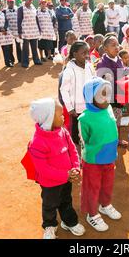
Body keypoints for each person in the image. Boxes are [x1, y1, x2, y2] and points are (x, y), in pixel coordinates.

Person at [24, 98, 85, 239]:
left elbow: (72, 149)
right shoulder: (37, 143)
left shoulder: (62, 131)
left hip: (66, 178)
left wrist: (76, 167)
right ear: (49, 118)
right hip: (50, 183)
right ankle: (50, 225)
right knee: (49, 205)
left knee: (66, 201)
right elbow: (43, 169)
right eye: (60, 114)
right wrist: (67, 175)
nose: (64, 116)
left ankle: (69, 221)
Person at [79, 77, 122, 232]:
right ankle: (92, 213)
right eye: (101, 94)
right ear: (91, 98)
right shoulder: (84, 118)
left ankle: (105, 205)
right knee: (92, 187)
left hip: (109, 158)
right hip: (93, 161)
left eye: (107, 93)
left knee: (107, 184)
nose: (106, 98)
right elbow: (85, 140)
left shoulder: (109, 108)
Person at [60, 41, 96, 146]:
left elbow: (94, 81)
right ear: (75, 54)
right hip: (77, 109)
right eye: (83, 53)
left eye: (87, 52)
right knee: (77, 132)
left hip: (90, 106)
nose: (87, 55)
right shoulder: (69, 70)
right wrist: (70, 108)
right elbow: (64, 90)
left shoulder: (90, 66)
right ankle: (78, 154)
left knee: (90, 128)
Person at [96, 35, 128, 147]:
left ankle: (117, 139)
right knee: (109, 120)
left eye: (117, 44)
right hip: (109, 99)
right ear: (105, 49)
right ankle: (108, 142)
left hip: (119, 95)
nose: (117, 47)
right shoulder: (102, 64)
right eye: (113, 45)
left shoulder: (118, 59)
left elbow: (121, 72)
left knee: (118, 119)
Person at [17, 0, 42, 68]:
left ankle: (36, 60)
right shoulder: (21, 8)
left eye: (31, 0)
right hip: (26, 31)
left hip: (34, 31)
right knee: (25, 49)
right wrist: (19, 32)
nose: (31, 1)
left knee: (34, 47)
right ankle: (25, 62)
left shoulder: (33, 8)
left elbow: (36, 19)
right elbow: (19, 20)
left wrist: (39, 29)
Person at [2, 0, 20, 65]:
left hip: (17, 31)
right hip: (9, 31)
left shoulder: (17, 9)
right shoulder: (4, 11)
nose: (12, 4)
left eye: (13, 2)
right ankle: (11, 60)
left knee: (18, 46)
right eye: (10, 2)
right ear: (7, 3)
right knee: (10, 46)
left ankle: (20, 59)